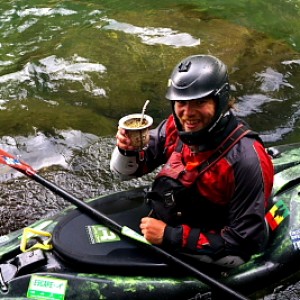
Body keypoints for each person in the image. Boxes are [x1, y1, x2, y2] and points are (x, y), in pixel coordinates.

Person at [110, 55, 274, 267]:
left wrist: (169, 236)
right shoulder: (175, 126)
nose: (187, 114)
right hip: (176, 217)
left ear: (220, 101)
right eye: (181, 102)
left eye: (200, 102)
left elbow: (242, 242)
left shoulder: (247, 160)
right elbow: (126, 172)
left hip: (217, 241)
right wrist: (127, 149)